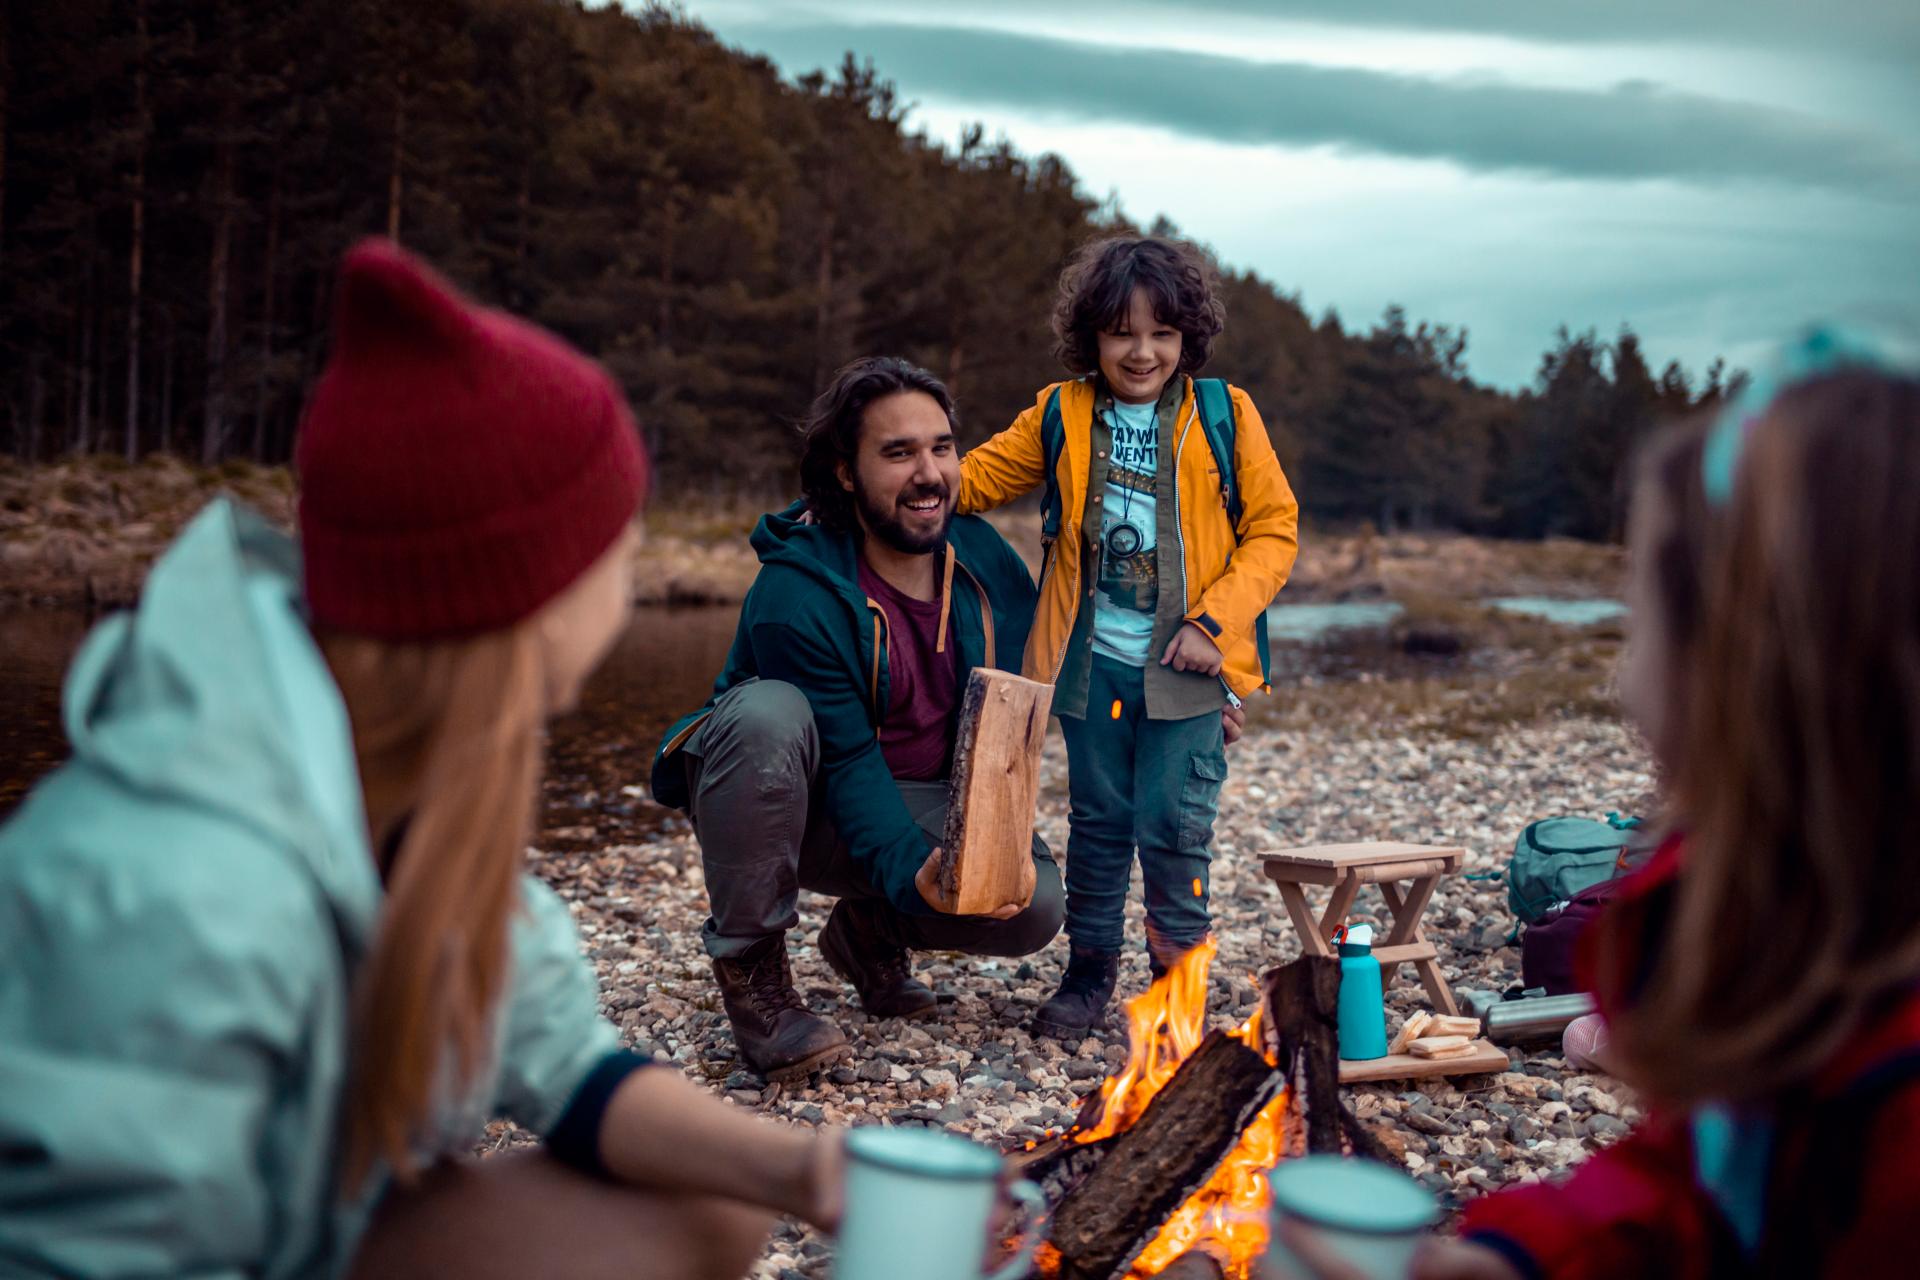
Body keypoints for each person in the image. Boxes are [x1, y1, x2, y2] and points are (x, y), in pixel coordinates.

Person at [0, 240, 844, 1279]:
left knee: (717, 1198)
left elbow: (568, 1070)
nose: (630, 569)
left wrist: (812, 1170)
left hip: (312, 1232)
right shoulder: (166, 889)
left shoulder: (419, 789)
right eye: (616, 543)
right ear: (529, 603)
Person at [1394, 334, 1920, 1279]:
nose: (1622, 688)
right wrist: (1516, 1259)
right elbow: (1701, 1183)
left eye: (1643, 629)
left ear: (1754, 675)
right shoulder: (1793, 934)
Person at [650, 357, 1065, 1082]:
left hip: (916, 793)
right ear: (845, 473)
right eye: (898, 453)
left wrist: (1211, 690)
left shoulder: (986, 558)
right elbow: (845, 765)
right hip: (793, 803)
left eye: (940, 447)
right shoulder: (797, 590)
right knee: (765, 714)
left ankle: (869, 929)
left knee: (1033, 907)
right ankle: (757, 981)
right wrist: (915, 868)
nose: (929, 474)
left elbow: (1054, 665)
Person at [954, 235, 1299, 1038]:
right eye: (1121, 333)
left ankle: (1177, 998)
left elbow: (1276, 531)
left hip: (1187, 668)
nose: (1141, 352)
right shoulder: (1058, 413)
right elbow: (971, 480)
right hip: (1087, 668)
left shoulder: (1227, 414)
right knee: (1099, 827)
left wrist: (1214, 624)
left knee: (1176, 832)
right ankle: (1087, 979)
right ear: (1093, 338)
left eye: (1161, 334)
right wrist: (890, 475)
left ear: (1187, 338)